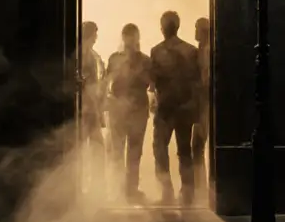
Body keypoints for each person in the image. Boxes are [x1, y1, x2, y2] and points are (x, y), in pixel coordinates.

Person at [149, 11, 201, 205]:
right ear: (177, 27)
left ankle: (166, 193)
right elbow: (196, 81)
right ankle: (188, 193)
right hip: (185, 107)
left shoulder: (156, 51)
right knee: (184, 150)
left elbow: (152, 81)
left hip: (165, 108)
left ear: (162, 28)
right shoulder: (191, 51)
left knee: (160, 148)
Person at [104, 23, 153, 203]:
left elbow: (149, 83)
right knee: (120, 150)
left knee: (133, 151)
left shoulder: (144, 60)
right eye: (128, 36)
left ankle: (130, 189)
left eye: (132, 36)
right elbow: (107, 81)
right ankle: (120, 189)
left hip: (136, 109)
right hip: (122, 109)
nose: (130, 40)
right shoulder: (116, 58)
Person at [76, 21, 107, 195]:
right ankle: (86, 186)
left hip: (91, 108)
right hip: (86, 109)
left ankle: (95, 186)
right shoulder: (82, 55)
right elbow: (87, 85)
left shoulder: (92, 55)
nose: (96, 37)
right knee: (86, 149)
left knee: (95, 148)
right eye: (94, 34)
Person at [191, 17, 211, 187]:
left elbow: (205, 80)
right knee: (198, 147)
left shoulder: (206, 51)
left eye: (197, 28)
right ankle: (201, 186)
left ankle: (201, 187)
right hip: (203, 103)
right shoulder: (202, 49)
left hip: (205, 103)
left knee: (197, 146)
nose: (195, 31)